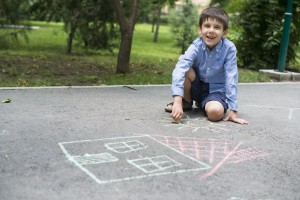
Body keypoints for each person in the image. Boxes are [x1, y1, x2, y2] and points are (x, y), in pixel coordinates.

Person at [165, 7, 248, 125]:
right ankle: (186, 102)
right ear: (200, 29)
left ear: (224, 32)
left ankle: (207, 104)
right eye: (207, 26)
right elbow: (180, 68)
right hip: (197, 87)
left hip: (216, 91)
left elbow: (231, 77)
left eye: (217, 27)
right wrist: (177, 101)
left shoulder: (229, 49)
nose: (211, 30)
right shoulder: (196, 46)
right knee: (185, 69)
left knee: (215, 113)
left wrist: (233, 109)